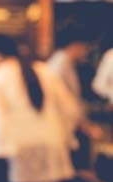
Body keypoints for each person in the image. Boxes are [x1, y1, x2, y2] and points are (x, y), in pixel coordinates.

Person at [0, 34, 81, 182]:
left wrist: (0, 151)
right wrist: (67, 137)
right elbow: (71, 109)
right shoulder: (44, 70)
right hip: (53, 145)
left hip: (20, 149)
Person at [47, 28, 99, 169]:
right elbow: (65, 101)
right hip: (63, 128)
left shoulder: (64, 63)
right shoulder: (59, 65)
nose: (86, 52)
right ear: (75, 45)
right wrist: (85, 125)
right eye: (85, 47)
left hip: (67, 126)